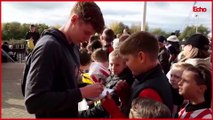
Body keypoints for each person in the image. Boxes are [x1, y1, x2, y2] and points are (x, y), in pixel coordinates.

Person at [24, 2, 105, 118]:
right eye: (86, 33)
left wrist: (91, 88)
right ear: (74, 19)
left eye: (90, 35)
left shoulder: (73, 46)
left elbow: (65, 84)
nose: (87, 40)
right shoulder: (49, 47)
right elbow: (33, 102)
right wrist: (82, 92)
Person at [101, 31, 173, 118]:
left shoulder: (148, 92)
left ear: (141, 57)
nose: (126, 64)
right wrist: (127, 97)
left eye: (127, 60)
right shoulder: (154, 77)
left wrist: (113, 110)